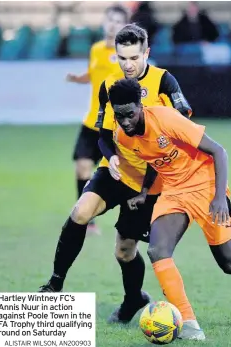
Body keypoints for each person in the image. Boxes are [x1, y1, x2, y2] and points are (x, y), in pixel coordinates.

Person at [106, 78, 231, 341]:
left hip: (205, 185)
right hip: (173, 191)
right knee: (157, 250)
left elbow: (219, 151)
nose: (125, 121)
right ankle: (189, 325)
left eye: (129, 114)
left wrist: (219, 197)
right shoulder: (122, 137)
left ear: (140, 106)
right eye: (119, 115)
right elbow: (153, 160)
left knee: (230, 263)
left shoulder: (167, 118)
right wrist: (144, 193)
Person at [39, 24, 193, 326]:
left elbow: (184, 125)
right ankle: (55, 284)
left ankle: (133, 299)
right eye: (122, 58)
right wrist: (110, 160)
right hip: (117, 170)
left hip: (153, 181)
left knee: (125, 250)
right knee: (80, 212)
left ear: (146, 52)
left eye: (134, 57)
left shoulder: (164, 81)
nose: (128, 64)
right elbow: (102, 134)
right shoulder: (109, 84)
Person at [67, 5, 129, 235]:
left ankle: (128, 223)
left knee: (119, 177)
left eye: (117, 21)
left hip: (114, 128)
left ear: (125, 25)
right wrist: (78, 78)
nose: (112, 24)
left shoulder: (127, 56)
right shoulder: (96, 50)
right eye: (109, 20)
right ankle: (86, 220)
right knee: (82, 167)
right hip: (91, 122)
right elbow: (93, 75)